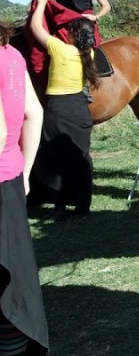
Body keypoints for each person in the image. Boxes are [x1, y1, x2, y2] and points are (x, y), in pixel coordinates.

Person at [0, 21, 49, 354]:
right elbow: (34, 112)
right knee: (11, 281)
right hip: (12, 174)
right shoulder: (12, 53)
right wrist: (27, 171)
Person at [26, 0, 97, 217]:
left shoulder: (60, 49)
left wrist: (44, 1)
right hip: (79, 109)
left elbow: (36, 27)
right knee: (81, 157)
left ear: (73, 35)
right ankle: (83, 205)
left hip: (58, 109)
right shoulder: (89, 53)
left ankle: (60, 204)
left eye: (69, 30)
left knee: (57, 159)